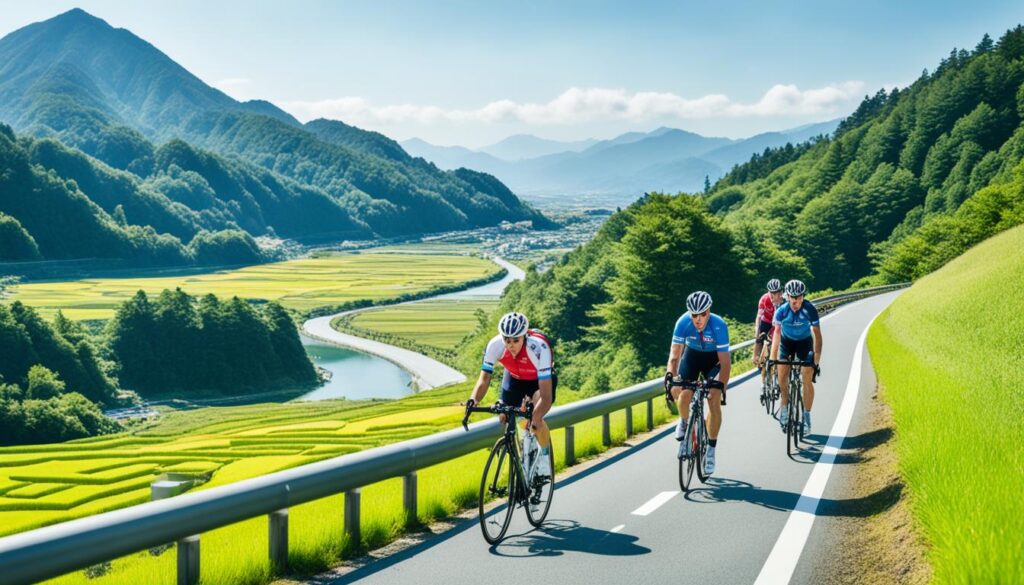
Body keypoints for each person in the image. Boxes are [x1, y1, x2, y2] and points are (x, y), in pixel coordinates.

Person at [466, 311, 556, 479]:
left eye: (516, 340)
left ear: (524, 336)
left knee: (535, 419)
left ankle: (543, 459)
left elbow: (546, 396)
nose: (511, 344)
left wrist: (535, 416)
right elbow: (484, 379)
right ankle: (521, 449)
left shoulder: (538, 348)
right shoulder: (495, 345)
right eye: (507, 340)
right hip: (514, 379)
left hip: (538, 381)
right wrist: (474, 399)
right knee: (504, 416)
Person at [665, 291, 731, 475]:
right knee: (683, 394)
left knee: (713, 400)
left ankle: (710, 450)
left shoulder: (719, 326)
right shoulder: (682, 323)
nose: (698, 319)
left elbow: (725, 363)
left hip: (713, 361)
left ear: (709, 311)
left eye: (703, 314)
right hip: (692, 357)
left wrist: (721, 388)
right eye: (694, 315)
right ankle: (685, 422)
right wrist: (671, 379)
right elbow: (674, 356)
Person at [769, 279, 823, 434]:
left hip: (805, 344)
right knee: (782, 376)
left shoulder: (809, 309)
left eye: (799, 297)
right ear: (787, 297)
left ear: (803, 296)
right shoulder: (782, 311)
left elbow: (818, 337)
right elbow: (777, 336)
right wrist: (773, 359)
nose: (796, 300)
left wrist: (816, 362)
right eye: (793, 297)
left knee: (806, 377)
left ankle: (806, 416)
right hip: (786, 344)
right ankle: (784, 406)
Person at [753, 278, 784, 384]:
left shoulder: (783, 301)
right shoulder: (764, 299)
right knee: (759, 337)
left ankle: (778, 366)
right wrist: (756, 332)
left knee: (777, 342)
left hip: (778, 323)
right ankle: (757, 360)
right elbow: (758, 317)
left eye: (774, 293)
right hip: (766, 322)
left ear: (779, 292)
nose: (772, 296)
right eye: (770, 293)